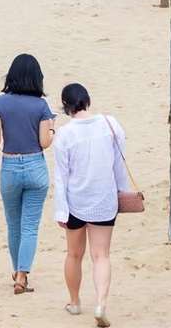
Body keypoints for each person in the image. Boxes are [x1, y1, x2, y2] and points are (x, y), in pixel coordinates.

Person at [53, 83, 131, 325]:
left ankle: (75, 303)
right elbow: (119, 163)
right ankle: (100, 304)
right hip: (103, 201)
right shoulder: (110, 124)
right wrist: (122, 192)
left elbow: (61, 176)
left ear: (66, 107)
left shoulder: (65, 134)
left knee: (74, 255)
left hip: (75, 201)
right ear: (88, 101)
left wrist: (60, 210)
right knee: (101, 256)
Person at [0, 54, 56, 296]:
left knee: (13, 225)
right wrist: (53, 127)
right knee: (30, 226)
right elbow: (45, 143)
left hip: (10, 166)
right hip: (35, 166)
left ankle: (17, 273)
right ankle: (22, 275)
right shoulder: (42, 107)